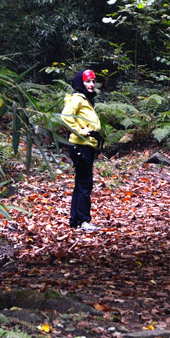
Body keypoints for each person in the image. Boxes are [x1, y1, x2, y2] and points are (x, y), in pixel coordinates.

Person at [61, 69, 103, 232]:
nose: (91, 84)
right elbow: (66, 116)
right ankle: (84, 221)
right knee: (85, 183)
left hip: (86, 145)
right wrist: (80, 130)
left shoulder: (86, 99)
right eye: (87, 81)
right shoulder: (77, 98)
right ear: (80, 83)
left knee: (81, 184)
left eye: (93, 81)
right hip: (80, 145)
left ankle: (75, 220)